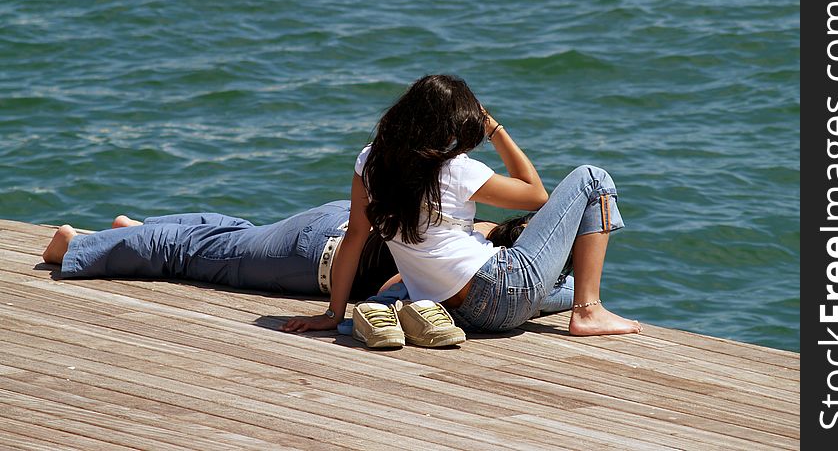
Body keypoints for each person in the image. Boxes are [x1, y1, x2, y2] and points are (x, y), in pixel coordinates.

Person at [282, 74, 641, 337]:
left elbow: (355, 238)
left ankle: (582, 299)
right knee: (592, 178)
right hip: (501, 288)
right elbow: (537, 195)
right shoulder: (455, 169)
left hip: (460, 312)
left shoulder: (370, 162)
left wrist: (333, 313)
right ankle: (588, 310)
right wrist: (495, 128)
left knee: (566, 283)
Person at [41, 201, 398, 300]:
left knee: (242, 236)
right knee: (188, 254)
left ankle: (136, 230)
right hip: (319, 256)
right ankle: (75, 247)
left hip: (344, 220)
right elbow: (390, 289)